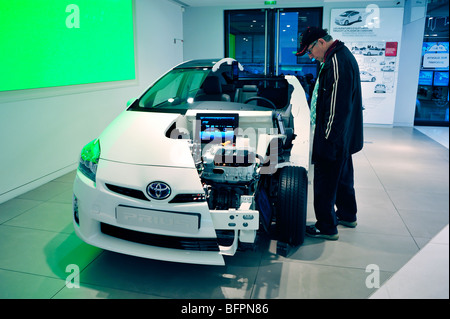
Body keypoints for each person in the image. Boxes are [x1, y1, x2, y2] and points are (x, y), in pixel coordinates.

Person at [295, 27, 364, 240]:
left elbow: (336, 107)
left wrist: (327, 140)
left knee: (325, 181)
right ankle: (347, 215)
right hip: (344, 137)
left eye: (310, 51)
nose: (310, 56)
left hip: (334, 137)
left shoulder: (336, 62)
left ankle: (326, 226)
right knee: (342, 178)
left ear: (321, 43)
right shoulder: (340, 56)